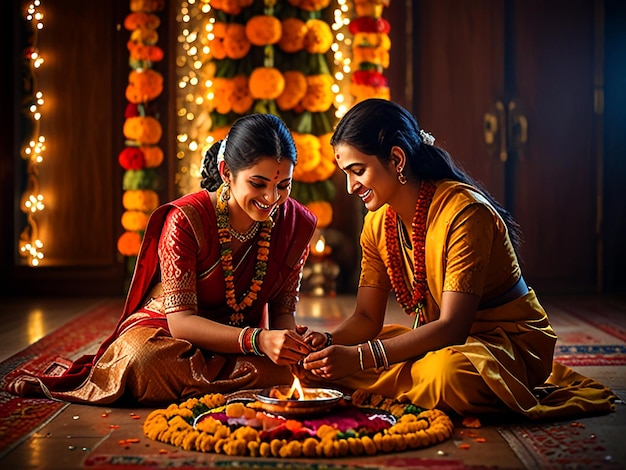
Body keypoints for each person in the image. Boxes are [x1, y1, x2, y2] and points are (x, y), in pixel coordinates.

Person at [298, 98, 616, 420]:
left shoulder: (465, 212)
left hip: (503, 346)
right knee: (330, 364)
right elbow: (367, 318)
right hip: (436, 343)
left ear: (396, 159)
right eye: (346, 174)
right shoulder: (377, 223)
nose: (351, 187)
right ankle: (400, 380)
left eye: (358, 171)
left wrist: (359, 359)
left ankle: (396, 381)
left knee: (447, 376)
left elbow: (453, 327)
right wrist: (326, 343)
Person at [9, 113, 317, 405]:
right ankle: (245, 383)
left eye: (283, 185)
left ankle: (231, 381)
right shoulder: (186, 220)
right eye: (258, 183)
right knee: (142, 360)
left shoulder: (295, 224)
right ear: (226, 173)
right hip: (173, 337)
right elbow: (181, 324)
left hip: (242, 344)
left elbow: (282, 315)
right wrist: (259, 342)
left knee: (307, 366)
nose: (272, 198)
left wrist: (291, 345)